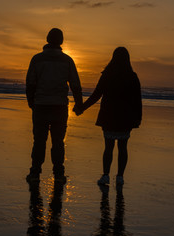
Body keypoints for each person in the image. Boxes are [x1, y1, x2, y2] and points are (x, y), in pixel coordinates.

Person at [74, 47, 142, 186]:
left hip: (109, 115)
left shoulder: (107, 74)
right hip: (125, 117)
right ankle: (120, 177)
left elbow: (96, 95)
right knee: (123, 147)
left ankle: (105, 175)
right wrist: (138, 119)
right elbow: (137, 100)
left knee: (108, 147)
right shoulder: (132, 76)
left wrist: (82, 107)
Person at [26, 28, 83, 183]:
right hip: (59, 107)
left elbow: (30, 83)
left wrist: (31, 102)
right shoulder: (67, 60)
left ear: (47, 39)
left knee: (39, 141)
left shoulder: (37, 59)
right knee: (58, 142)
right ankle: (58, 174)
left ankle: (35, 173)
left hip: (41, 105)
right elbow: (75, 85)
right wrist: (79, 105)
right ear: (61, 41)